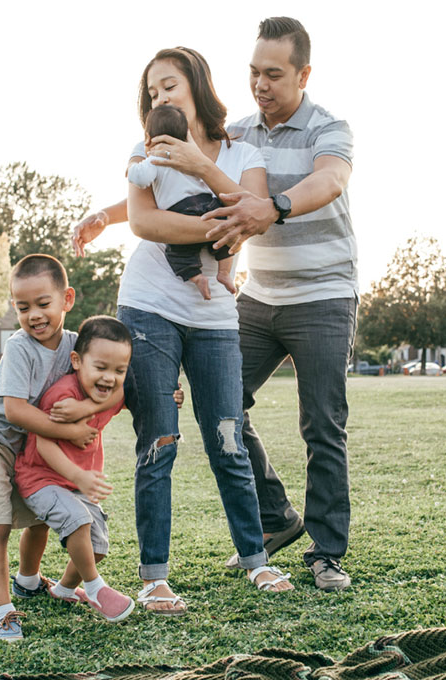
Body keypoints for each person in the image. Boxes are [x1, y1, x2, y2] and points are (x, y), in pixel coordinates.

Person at [72, 17, 357, 592]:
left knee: (320, 423)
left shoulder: (325, 129)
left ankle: (324, 552)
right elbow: (163, 196)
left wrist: (265, 205)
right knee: (221, 418)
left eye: (273, 74)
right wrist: (108, 213)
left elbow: (325, 183)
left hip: (321, 292)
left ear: (302, 74)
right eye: (253, 72)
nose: (260, 83)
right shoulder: (238, 131)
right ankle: (273, 521)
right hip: (254, 296)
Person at [121, 46, 295, 615]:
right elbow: (146, 222)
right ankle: (154, 577)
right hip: (148, 308)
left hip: (215, 315)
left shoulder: (244, 151)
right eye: (152, 92)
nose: (160, 98)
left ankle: (256, 559)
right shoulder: (142, 155)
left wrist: (201, 167)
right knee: (159, 440)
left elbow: (255, 208)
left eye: (168, 85)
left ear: (195, 84)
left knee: (228, 437)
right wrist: (215, 226)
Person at [0, 254, 123, 641]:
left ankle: (28, 581)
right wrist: (67, 433)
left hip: (28, 444)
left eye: (43, 304)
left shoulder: (76, 347)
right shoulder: (19, 348)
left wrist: (88, 406)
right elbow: (14, 411)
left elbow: (113, 380)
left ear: (67, 299)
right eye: (22, 306)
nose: (33, 315)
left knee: (40, 515)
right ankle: (3, 611)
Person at [13, 316, 138, 623]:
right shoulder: (62, 397)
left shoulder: (106, 392)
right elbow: (44, 445)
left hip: (75, 483)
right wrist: (79, 475)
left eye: (119, 370)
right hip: (41, 477)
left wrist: (173, 396)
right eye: (101, 367)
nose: (109, 378)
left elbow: (124, 394)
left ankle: (65, 589)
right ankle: (95, 588)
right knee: (78, 520)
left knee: (98, 545)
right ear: (77, 361)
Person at [128, 104, 236, 301]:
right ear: (186, 133)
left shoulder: (155, 158)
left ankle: (197, 278)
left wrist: (133, 166)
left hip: (181, 211)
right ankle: (224, 272)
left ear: (148, 138)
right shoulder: (193, 155)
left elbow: (141, 179)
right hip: (209, 204)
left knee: (179, 253)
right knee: (226, 238)